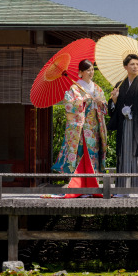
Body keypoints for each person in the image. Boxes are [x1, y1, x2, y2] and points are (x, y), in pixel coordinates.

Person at [48, 59, 108, 198]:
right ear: (80, 73)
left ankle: (92, 188)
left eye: (92, 69)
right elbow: (68, 106)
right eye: (87, 70)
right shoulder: (74, 89)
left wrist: (101, 103)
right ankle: (78, 188)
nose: (91, 72)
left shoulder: (97, 88)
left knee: (93, 156)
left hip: (93, 129)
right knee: (80, 155)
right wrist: (81, 100)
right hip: (79, 130)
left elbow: (104, 108)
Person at [108, 53, 138, 197]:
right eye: (132, 64)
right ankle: (123, 190)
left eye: (137, 64)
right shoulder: (119, 86)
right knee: (124, 155)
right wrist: (115, 100)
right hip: (124, 126)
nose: (135, 67)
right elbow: (112, 110)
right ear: (125, 67)